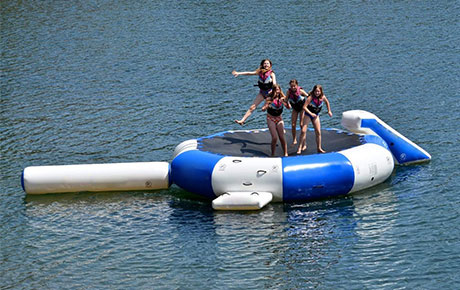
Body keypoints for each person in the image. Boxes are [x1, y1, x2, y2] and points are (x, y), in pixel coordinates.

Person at [232, 59, 277, 125]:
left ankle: (278, 124)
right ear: (262, 65)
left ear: (270, 65)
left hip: (269, 94)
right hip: (262, 93)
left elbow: (274, 84)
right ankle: (242, 120)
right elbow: (249, 73)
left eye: (267, 63)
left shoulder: (272, 74)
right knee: (252, 107)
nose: (266, 65)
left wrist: (273, 92)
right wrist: (238, 73)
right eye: (265, 63)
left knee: (269, 109)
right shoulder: (259, 72)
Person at [297, 84, 332, 154]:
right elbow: (304, 107)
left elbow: (327, 102)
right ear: (313, 91)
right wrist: (310, 113)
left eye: (318, 91)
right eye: (316, 91)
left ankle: (319, 148)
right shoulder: (310, 98)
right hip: (308, 114)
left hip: (316, 115)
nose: (317, 93)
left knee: (318, 132)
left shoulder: (323, 97)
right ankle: (299, 148)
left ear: (321, 92)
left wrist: (329, 111)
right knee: (303, 131)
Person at [261, 84, 290, 157]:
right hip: (271, 118)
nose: (277, 92)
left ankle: (285, 153)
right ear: (273, 91)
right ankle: (273, 153)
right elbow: (263, 109)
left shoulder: (282, 98)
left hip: (279, 119)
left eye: (278, 90)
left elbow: (288, 107)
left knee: (281, 137)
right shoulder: (269, 98)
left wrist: (286, 102)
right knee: (274, 137)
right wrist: (266, 105)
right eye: (276, 90)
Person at [286, 79, 309, 146]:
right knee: (293, 125)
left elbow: (308, 97)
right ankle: (294, 140)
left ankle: (304, 142)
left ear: (297, 85)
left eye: (294, 86)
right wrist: (288, 104)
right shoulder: (289, 92)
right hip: (295, 109)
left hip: (302, 108)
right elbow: (286, 100)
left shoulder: (301, 91)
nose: (293, 88)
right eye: (291, 86)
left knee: (301, 124)